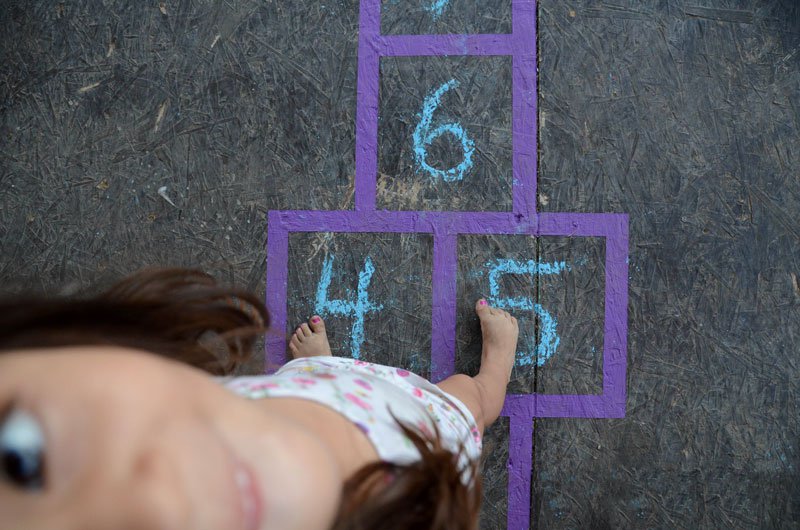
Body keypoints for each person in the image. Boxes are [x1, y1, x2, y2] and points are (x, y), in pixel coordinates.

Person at [0, 268, 518, 530]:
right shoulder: (423, 499)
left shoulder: (199, 404)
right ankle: (491, 378)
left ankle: (318, 365)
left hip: (311, 387)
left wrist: (314, 371)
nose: (161, 506)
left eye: (22, 457)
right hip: (424, 431)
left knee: (306, 371)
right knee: (468, 399)